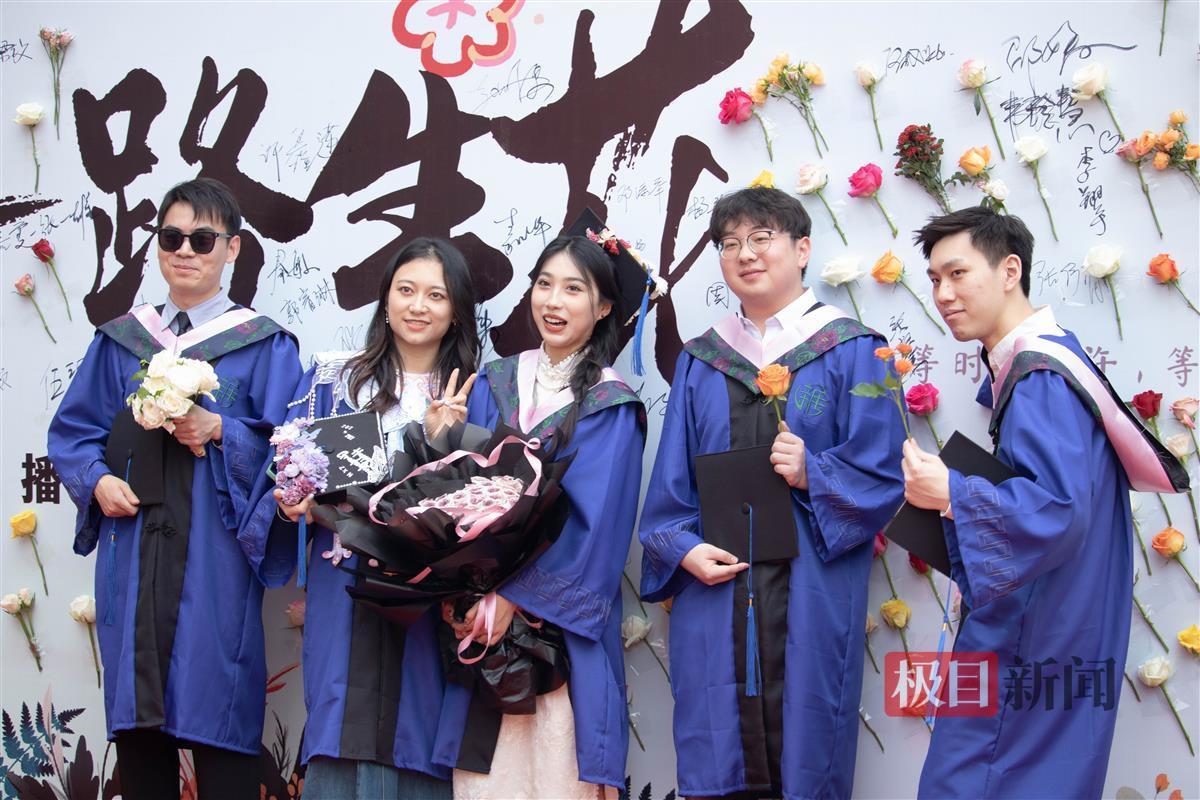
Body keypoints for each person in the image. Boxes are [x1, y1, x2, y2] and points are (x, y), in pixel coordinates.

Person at [905, 207, 1188, 800]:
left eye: (957, 273)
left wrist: (951, 492)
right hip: (1058, 626)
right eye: (934, 279)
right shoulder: (1047, 362)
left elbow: (1057, 511)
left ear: (1010, 271)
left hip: (1032, 640)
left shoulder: (1040, 378)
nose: (943, 294)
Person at [637, 186, 905, 799]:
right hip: (717, 593)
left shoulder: (854, 349)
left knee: (807, 751)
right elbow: (672, 486)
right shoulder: (703, 360)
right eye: (730, 243)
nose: (745, 254)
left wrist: (816, 472)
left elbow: (885, 476)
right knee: (718, 756)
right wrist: (682, 549)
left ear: (802, 249)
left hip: (812, 590)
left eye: (762, 238)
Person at [47, 177, 303, 799]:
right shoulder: (121, 341)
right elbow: (74, 432)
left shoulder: (263, 343)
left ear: (232, 248)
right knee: (141, 744)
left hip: (215, 565)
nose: (185, 251)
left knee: (221, 725)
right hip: (133, 556)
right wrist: (97, 482)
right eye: (171, 238)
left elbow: (294, 454)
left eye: (203, 239)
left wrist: (222, 430)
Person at [432, 216, 648, 800]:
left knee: (552, 776)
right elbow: (458, 494)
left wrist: (511, 598)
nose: (553, 301)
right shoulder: (493, 382)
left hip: (556, 638)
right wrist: (470, 586)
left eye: (574, 288)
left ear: (604, 308)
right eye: (544, 284)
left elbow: (594, 527)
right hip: (480, 622)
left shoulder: (611, 406)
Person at [260, 237, 480, 799]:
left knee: (417, 726)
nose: (418, 305)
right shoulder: (336, 380)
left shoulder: (474, 395)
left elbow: (486, 501)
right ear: (385, 300)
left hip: (425, 594)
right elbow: (289, 469)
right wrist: (292, 497)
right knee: (341, 717)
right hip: (344, 583)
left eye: (436, 295)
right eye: (406, 290)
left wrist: (444, 441)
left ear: (457, 311)